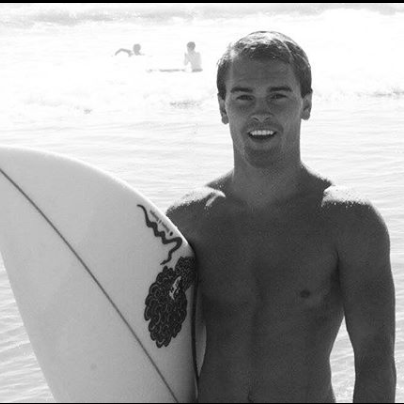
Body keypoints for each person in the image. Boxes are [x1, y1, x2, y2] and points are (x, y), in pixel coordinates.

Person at [167, 31, 396, 403]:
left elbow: (375, 361)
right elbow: (150, 343)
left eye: (278, 95)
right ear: (223, 107)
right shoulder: (189, 221)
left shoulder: (349, 222)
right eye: (243, 97)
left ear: (306, 104)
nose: (260, 112)